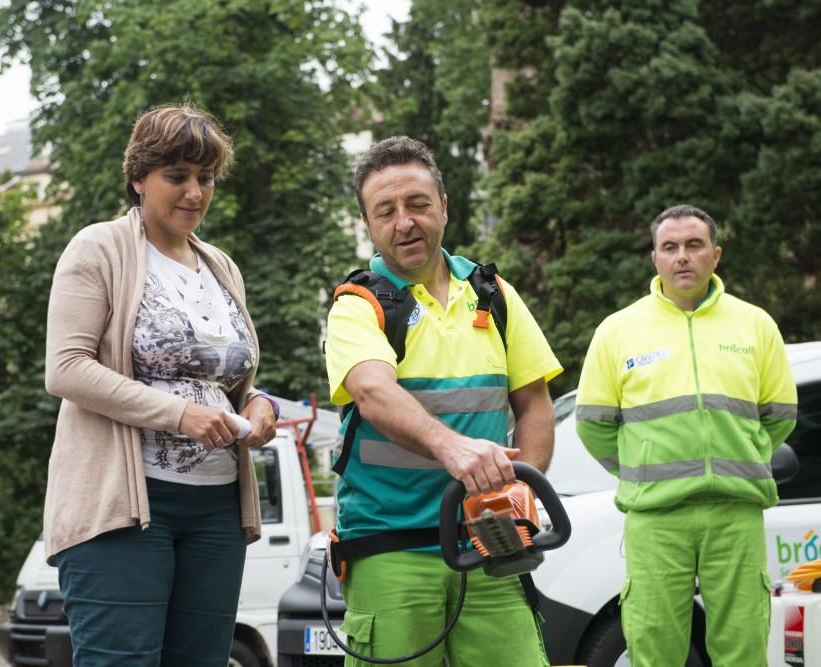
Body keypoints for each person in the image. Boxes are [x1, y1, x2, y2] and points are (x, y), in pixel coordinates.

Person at [43, 102, 279, 667]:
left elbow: (229, 379)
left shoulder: (222, 266)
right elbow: (66, 368)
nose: (195, 192)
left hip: (218, 509)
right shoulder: (98, 248)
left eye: (206, 178)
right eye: (177, 176)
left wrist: (258, 402)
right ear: (138, 178)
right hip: (125, 507)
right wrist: (179, 415)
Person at [324, 136, 562, 666]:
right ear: (369, 224)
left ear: (444, 207)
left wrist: (520, 495)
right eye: (386, 211)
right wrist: (452, 449)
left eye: (417, 204)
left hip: (490, 542)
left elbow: (535, 402)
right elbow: (372, 390)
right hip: (391, 549)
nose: (404, 222)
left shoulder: (493, 293)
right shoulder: (357, 305)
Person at [576, 204, 798, 667]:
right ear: (654, 258)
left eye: (694, 246)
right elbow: (593, 424)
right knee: (655, 647)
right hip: (656, 517)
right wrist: (643, 468)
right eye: (670, 247)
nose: (683, 257)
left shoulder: (755, 325)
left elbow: (781, 415)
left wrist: (742, 456)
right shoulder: (618, 331)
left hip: (735, 514)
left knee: (743, 648)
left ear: (715, 255)